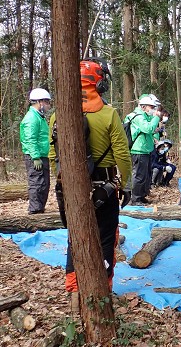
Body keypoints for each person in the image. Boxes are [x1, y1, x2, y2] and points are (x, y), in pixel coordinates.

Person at [55, 60, 132, 307]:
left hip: (70, 186)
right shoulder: (109, 114)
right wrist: (125, 183)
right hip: (105, 185)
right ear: (98, 82)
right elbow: (122, 154)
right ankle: (103, 292)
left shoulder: (59, 114)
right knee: (107, 237)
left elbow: (51, 153)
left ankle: (74, 291)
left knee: (74, 237)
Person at [124, 95, 162, 205]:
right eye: (152, 107)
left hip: (145, 149)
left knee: (145, 175)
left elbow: (150, 129)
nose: (154, 109)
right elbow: (147, 128)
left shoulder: (144, 116)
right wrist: (156, 118)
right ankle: (135, 199)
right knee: (139, 176)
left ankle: (141, 196)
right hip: (138, 150)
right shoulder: (138, 116)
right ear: (143, 106)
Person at [20, 88, 52, 214]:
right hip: (35, 157)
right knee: (37, 184)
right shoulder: (32, 118)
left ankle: (40, 209)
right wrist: (35, 157)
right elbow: (30, 139)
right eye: (47, 102)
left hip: (42, 155)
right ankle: (35, 211)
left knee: (44, 184)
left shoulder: (39, 117)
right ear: (39, 102)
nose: (48, 105)